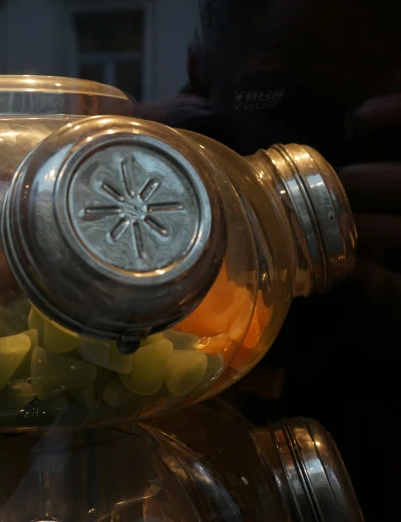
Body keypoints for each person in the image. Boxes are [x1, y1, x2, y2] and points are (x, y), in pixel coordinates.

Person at [135, 1, 401, 518]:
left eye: (386, 138)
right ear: (201, 80)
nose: (320, 173)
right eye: (303, 112)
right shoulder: (165, 186)